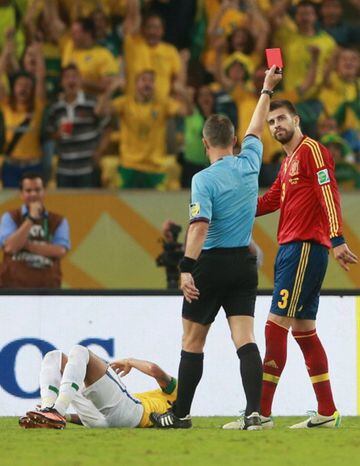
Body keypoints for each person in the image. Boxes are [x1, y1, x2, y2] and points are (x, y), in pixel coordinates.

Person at [150, 66, 282, 430]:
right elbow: (257, 127)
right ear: (235, 140)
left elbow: (199, 225)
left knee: (193, 340)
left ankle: (180, 415)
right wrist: (266, 90)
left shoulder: (202, 179)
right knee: (245, 338)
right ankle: (255, 413)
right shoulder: (250, 163)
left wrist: (186, 266)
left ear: (205, 144)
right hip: (244, 263)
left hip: (209, 264)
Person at [223, 99, 358, 431]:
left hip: (304, 248)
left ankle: (261, 414)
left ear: (296, 120)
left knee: (274, 326)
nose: (275, 125)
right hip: (294, 250)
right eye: (270, 122)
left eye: (281, 118)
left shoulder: (312, 151)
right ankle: (327, 412)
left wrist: (337, 237)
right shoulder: (287, 163)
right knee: (304, 331)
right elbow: (272, 200)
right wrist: (236, 208)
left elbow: (328, 191)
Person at [20, 345, 177, 430]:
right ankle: (48, 413)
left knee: (80, 351)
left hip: (133, 413)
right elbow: (100, 416)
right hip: (102, 421)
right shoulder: (168, 404)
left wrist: (130, 361)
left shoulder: (179, 393)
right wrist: (69, 417)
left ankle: (54, 410)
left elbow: (154, 370)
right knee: (54, 357)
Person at [97, 69, 191, 189]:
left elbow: (187, 112)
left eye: (151, 81)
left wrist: (183, 93)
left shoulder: (163, 103)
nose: (147, 84)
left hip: (155, 167)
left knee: (155, 207)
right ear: (135, 84)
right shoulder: (125, 103)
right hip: (129, 166)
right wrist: (110, 89)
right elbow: (100, 111)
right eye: (143, 80)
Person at [45, 64, 111, 188]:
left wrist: (99, 151)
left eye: (75, 77)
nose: (71, 80)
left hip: (88, 170)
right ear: (61, 82)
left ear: (81, 80)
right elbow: (49, 133)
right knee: (64, 207)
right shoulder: (56, 107)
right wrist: (57, 134)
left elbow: (107, 127)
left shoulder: (92, 103)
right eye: (67, 77)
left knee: (89, 207)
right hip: (64, 170)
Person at [0, 172, 70, 288]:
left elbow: (60, 251)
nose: (33, 194)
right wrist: (31, 219)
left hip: (48, 291)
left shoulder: (59, 221)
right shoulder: (10, 217)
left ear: (44, 192)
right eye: (28, 190)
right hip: (12, 292)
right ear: (21, 194)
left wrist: (25, 245)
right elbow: (10, 247)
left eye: (37, 190)